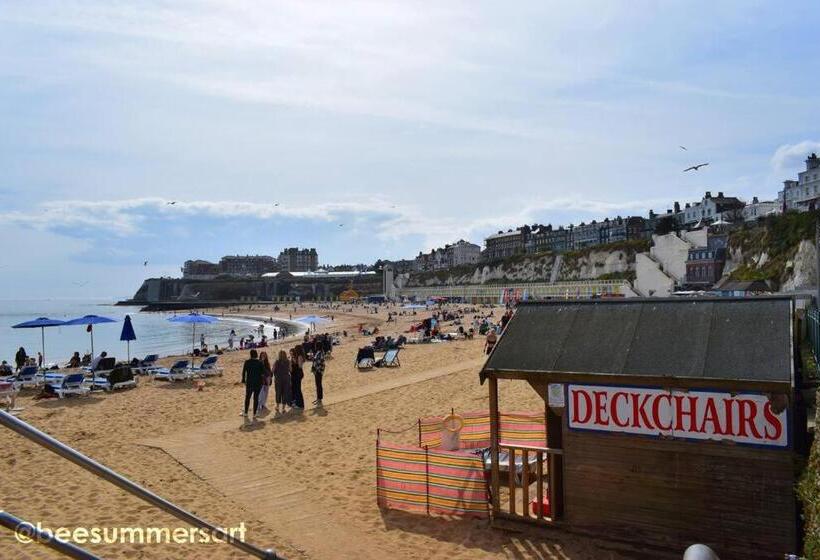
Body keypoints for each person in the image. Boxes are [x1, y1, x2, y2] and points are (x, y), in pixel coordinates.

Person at [241, 349, 264, 420]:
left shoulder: (247, 362)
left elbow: (244, 372)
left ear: (250, 354)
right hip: (258, 382)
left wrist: (243, 380)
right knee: (256, 398)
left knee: (248, 397)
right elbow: (262, 373)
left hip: (250, 382)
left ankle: (246, 412)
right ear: (256, 354)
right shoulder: (260, 362)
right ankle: (254, 413)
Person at [273, 350, 291, 414]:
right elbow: (290, 370)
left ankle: (277, 406)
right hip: (286, 378)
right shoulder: (288, 361)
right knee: (285, 393)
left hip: (278, 379)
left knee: (278, 392)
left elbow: (273, 370)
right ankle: (283, 408)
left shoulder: (276, 361)